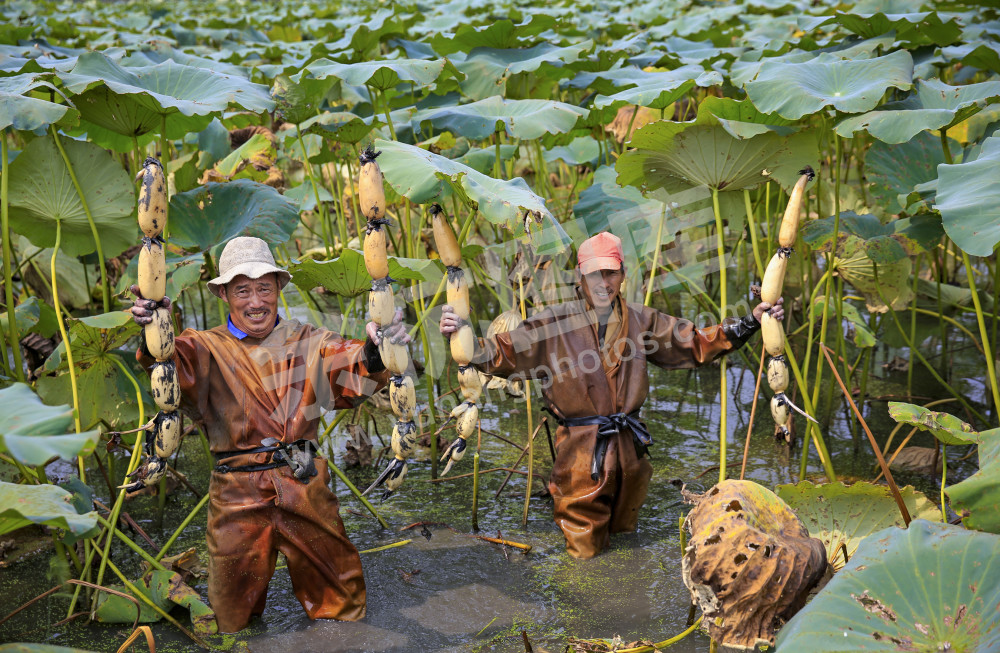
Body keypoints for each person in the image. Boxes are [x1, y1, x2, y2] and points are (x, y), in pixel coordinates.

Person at [439, 232, 783, 559]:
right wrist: (461, 334)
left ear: (623, 275)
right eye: (595, 274)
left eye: (611, 273)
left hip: (630, 450)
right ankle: (587, 610)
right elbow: (503, 353)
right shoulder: (552, 324)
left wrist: (750, 322)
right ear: (580, 276)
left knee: (627, 542)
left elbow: (694, 342)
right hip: (580, 453)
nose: (603, 283)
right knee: (584, 552)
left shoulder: (642, 321)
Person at [130, 236, 408, 632]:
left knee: (341, 604)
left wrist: (378, 348)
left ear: (279, 287)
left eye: (264, 287)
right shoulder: (205, 346)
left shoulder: (309, 341)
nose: (256, 301)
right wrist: (154, 325)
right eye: (243, 290)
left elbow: (351, 365)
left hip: (304, 483)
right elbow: (171, 364)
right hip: (237, 493)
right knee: (228, 618)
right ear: (224, 293)